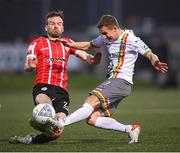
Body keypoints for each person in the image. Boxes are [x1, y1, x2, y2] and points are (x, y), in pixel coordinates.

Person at [48, 14, 168, 144]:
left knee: (91, 100)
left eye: (105, 33)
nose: (104, 37)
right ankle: (130, 129)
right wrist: (70, 44)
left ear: (115, 29)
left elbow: (150, 54)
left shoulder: (131, 39)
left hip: (120, 81)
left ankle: (61, 123)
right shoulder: (106, 38)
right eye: (102, 34)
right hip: (116, 83)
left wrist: (155, 62)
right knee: (92, 119)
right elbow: (88, 45)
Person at [9, 10, 101, 144]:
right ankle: (40, 121)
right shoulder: (37, 43)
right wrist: (30, 66)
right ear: (46, 27)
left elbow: (87, 57)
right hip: (43, 86)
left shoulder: (68, 43)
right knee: (47, 109)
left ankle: (29, 140)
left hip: (62, 91)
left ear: (63, 27)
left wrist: (94, 60)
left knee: (57, 130)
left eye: (59, 24)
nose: (56, 26)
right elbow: (27, 66)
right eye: (52, 24)